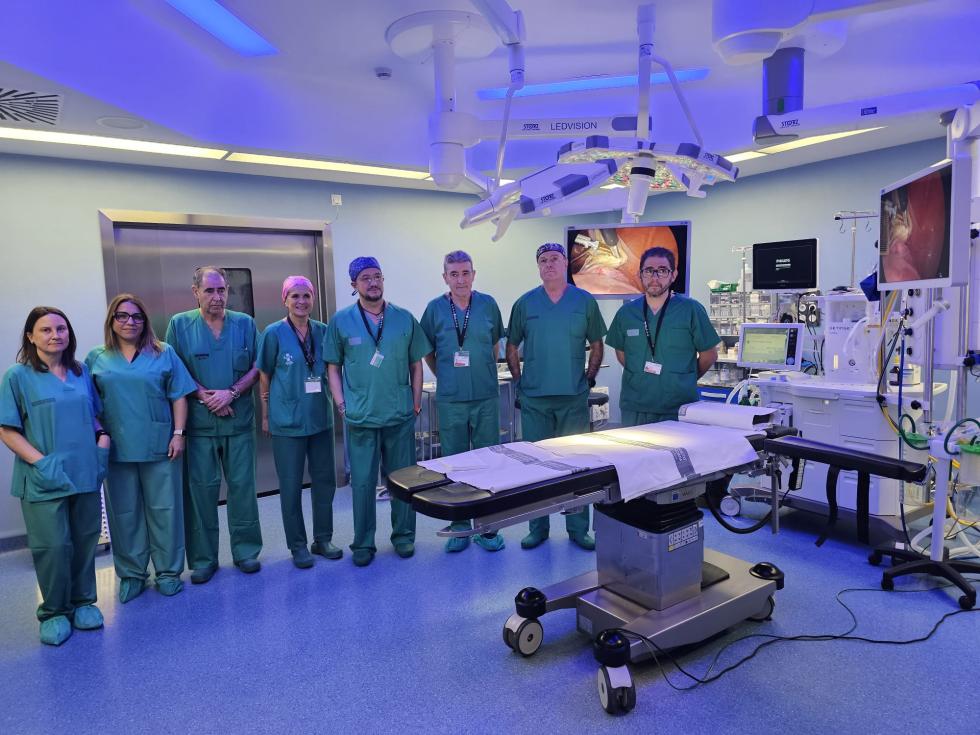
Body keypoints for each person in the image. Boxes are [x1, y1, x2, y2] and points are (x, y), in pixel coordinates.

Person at [0, 307, 109, 645]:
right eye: (45, 330)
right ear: (30, 336)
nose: (55, 335)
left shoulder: (80, 371)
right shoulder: (17, 377)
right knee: (53, 547)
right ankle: (54, 611)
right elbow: (7, 429)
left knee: (85, 540)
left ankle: (84, 602)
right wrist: (42, 463)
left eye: (61, 328)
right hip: (43, 476)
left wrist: (102, 440)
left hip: (84, 471)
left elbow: (93, 414)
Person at [85, 294, 197, 603]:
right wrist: (100, 435)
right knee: (125, 513)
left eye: (136, 316)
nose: (129, 322)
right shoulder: (96, 358)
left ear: (145, 321)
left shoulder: (163, 352)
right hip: (117, 449)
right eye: (122, 316)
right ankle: (132, 574)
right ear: (112, 321)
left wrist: (179, 433)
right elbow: (87, 403)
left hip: (160, 445)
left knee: (166, 510)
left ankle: (168, 572)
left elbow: (178, 395)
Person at [325, 257, 431, 567]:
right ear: (354, 284)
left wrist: (415, 402)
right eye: (365, 278)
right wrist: (341, 404)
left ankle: (404, 536)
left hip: (399, 415)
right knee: (362, 483)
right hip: (361, 417)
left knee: (404, 480)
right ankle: (363, 543)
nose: (373, 283)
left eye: (377, 276)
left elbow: (416, 364)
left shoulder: (403, 318)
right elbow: (333, 367)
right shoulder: (341, 321)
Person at [506, 243, 606, 551]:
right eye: (543, 260)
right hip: (535, 399)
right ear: (538, 267)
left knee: (576, 466)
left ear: (565, 264)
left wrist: (588, 379)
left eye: (555, 259)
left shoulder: (584, 301)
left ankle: (578, 529)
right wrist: (520, 382)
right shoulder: (525, 304)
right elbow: (511, 346)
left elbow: (597, 344)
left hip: (572, 397)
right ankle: (538, 528)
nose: (549, 264)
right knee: (536, 466)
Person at [165, 266, 262, 583]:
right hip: (200, 427)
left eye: (222, 290)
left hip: (239, 422)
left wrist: (231, 393)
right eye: (209, 290)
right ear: (195, 292)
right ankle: (204, 559)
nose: (217, 296)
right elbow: (175, 368)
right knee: (201, 493)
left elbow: (257, 366)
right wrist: (206, 397)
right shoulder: (180, 325)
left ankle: (246, 552)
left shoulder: (245, 324)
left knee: (243, 489)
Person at [420, 250, 506, 553]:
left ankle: (487, 527)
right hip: (452, 399)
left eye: (465, 273)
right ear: (445, 277)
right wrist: (447, 375)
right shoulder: (434, 309)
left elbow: (494, 346)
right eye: (454, 274)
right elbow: (428, 351)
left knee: (488, 462)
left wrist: (480, 371)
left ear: (474, 274)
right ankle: (459, 528)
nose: (460, 279)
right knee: (455, 465)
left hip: (485, 395)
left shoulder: (488, 305)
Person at [258, 276, 341, 569]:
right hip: (287, 421)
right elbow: (264, 375)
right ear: (285, 300)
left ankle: (323, 539)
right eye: (295, 296)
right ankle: (298, 545)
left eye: (306, 295)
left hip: (320, 419)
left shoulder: (324, 331)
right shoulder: (273, 333)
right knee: (291, 486)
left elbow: (333, 370)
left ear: (313, 299)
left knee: (325, 482)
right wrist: (266, 415)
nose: (301, 301)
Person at [605, 246, 719, 425]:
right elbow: (621, 353)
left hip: (678, 406)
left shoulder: (691, 310)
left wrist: (684, 379)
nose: (655, 277)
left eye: (662, 270)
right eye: (649, 271)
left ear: (673, 275)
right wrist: (640, 374)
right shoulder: (626, 313)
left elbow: (709, 355)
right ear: (640, 275)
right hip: (635, 406)